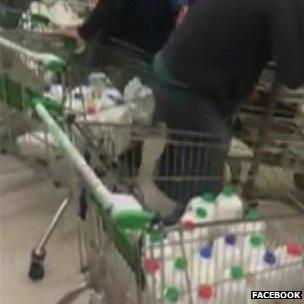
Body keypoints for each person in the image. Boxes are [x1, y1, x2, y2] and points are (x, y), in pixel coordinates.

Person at [151, 0, 304, 221]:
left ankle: (175, 211)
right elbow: (292, 75)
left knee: (197, 171)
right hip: (187, 86)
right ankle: (173, 238)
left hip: (178, 71)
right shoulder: (286, 5)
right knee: (207, 196)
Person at [65, 0, 189, 89]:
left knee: (93, 101)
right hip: (149, 56)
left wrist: (84, 32)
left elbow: (109, 5)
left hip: (116, 48)